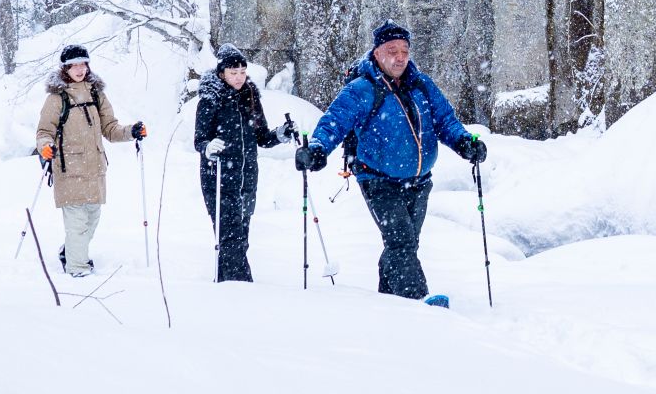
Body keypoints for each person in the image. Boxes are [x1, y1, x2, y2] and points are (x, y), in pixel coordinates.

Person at [296, 21, 485, 300]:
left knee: (405, 245)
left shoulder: (422, 85)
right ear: (377, 52)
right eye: (392, 50)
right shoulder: (361, 89)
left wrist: (464, 143)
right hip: (379, 180)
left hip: (419, 181)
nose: (400, 57)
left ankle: (388, 304)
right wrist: (317, 149)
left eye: (405, 51)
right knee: (401, 242)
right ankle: (417, 301)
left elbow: (445, 120)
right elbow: (334, 122)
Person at [35, 43, 146, 277]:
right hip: (68, 169)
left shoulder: (96, 93)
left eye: (83, 64)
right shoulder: (56, 98)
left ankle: (71, 252)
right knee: (76, 224)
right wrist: (45, 148)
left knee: (91, 221)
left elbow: (111, 128)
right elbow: (44, 131)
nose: (79, 69)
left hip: (95, 169)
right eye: (74, 65)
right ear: (65, 68)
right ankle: (78, 270)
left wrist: (131, 132)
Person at [194, 45, 281, 283]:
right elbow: (199, 139)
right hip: (219, 177)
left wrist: (280, 135)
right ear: (222, 73)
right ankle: (241, 286)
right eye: (234, 72)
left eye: (243, 72)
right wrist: (208, 148)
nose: (239, 77)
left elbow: (262, 137)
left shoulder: (250, 97)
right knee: (230, 235)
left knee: (241, 235)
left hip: (247, 176)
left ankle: (226, 284)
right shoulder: (211, 99)